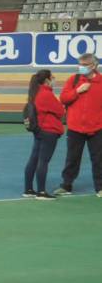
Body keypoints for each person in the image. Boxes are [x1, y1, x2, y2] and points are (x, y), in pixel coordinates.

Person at [53, 53, 102, 197]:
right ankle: (66, 185)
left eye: (85, 65)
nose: (81, 67)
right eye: (80, 64)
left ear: (93, 66)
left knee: (99, 159)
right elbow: (63, 98)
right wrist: (77, 91)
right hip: (75, 128)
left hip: (97, 128)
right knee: (72, 158)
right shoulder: (73, 80)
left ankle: (100, 187)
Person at [23, 70, 65, 200]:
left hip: (39, 130)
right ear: (47, 80)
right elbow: (60, 111)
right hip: (49, 130)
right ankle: (41, 192)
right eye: (52, 76)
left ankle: (28, 189)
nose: (54, 78)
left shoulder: (35, 92)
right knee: (43, 161)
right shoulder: (46, 94)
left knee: (34, 159)